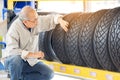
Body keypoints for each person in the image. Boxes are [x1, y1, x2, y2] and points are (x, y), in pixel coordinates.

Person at [4, 6, 69, 80]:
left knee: (49, 74)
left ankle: (21, 77)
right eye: (34, 20)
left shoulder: (34, 22)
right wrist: (33, 54)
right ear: (25, 22)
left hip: (29, 62)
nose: (37, 21)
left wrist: (60, 20)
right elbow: (12, 51)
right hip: (13, 62)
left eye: (37, 18)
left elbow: (49, 19)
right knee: (16, 59)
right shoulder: (14, 29)